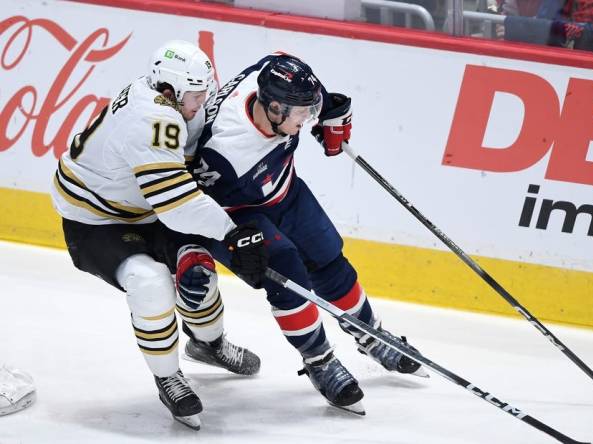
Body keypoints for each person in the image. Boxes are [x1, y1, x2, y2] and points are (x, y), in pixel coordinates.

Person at [189, 53, 427, 415]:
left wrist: (326, 109)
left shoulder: (270, 77)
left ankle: (370, 335)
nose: (307, 119)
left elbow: (293, 74)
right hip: (239, 214)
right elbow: (196, 204)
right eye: (302, 114)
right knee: (288, 276)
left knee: (329, 257)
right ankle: (319, 361)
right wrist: (230, 242)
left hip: (286, 191)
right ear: (272, 108)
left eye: (308, 110)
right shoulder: (221, 151)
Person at [50, 40, 269, 430]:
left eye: (204, 93)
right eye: (196, 95)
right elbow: (176, 203)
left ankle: (208, 344)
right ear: (170, 91)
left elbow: (176, 187)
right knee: (150, 283)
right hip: (94, 219)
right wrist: (232, 232)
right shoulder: (153, 117)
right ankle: (168, 376)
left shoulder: (174, 100)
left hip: (143, 209)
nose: (201, 102)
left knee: (197, 269)